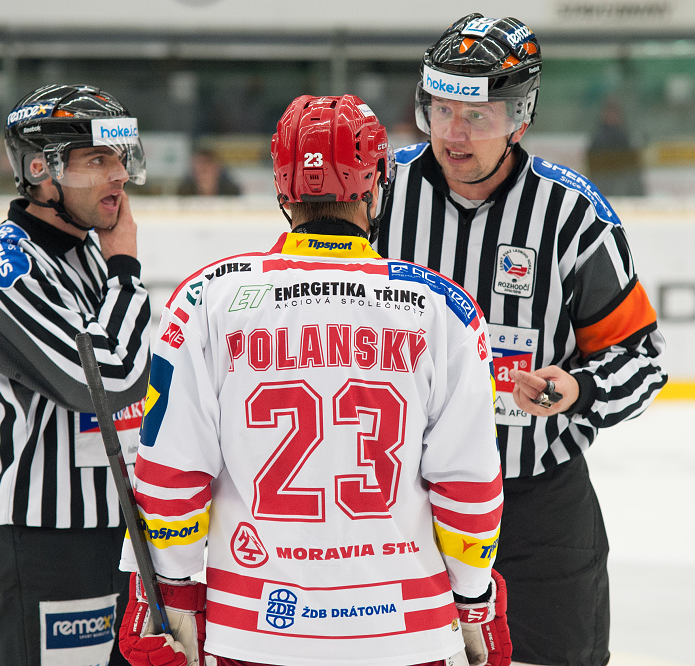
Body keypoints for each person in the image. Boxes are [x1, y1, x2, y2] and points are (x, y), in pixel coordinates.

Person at [117, 94, 511, 666]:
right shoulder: (443, 307)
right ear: (377, 184)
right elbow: (468, 482)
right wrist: (474, 599)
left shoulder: (207, 297)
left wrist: (171, 593)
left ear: (282, 189)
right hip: (408, 632)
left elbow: (171, 472)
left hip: (253, 629)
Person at [374, 15, 667, 666]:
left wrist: (579, 388)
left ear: (519, 117)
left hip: (537, 512)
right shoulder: (380, 195)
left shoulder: (571, 215)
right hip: (400, 505)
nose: (452, 133)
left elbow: (641, 362)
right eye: (440, 110)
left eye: (475, 115)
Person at [0, 84, 153, 666]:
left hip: (119, 533)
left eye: (120, 157)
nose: (119, 175)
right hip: (45, 542)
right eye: (97, 160)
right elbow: (107, 381)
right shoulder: (7, 265)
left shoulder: (88, 249)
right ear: (40, 170)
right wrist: (126, 272)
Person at [586, 96, 645, 197]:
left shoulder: (625, 136)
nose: (612, 116)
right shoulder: (598, 137)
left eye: (615, 113)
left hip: (622, 181)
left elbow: (632, 164)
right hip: (604, 181)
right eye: (610, 113)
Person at [176, 148, 242, 196]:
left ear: (217, 169)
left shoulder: (231, 192)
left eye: (206, 170)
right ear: (193, 172)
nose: (204, 176)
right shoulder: (184, 192)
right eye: (200, 170)